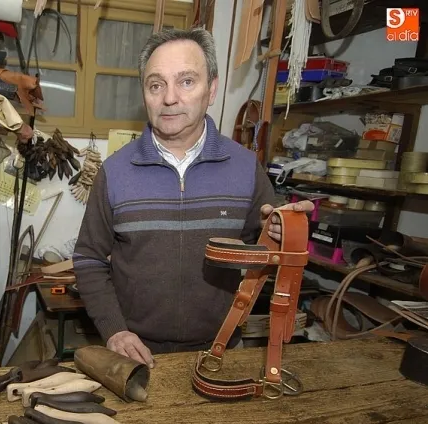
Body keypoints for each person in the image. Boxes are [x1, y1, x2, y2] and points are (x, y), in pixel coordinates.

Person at [72, 28, 314, 368]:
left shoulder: (246, 168)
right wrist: (114, 331)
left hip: (221, 348)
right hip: (135, 354)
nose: (169, 98)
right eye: (156, 85)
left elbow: (265, 254)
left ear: (211, 89)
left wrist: (283, 233)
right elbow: (88, 259)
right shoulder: (114, 172)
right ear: (145, 93)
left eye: (186, 81)